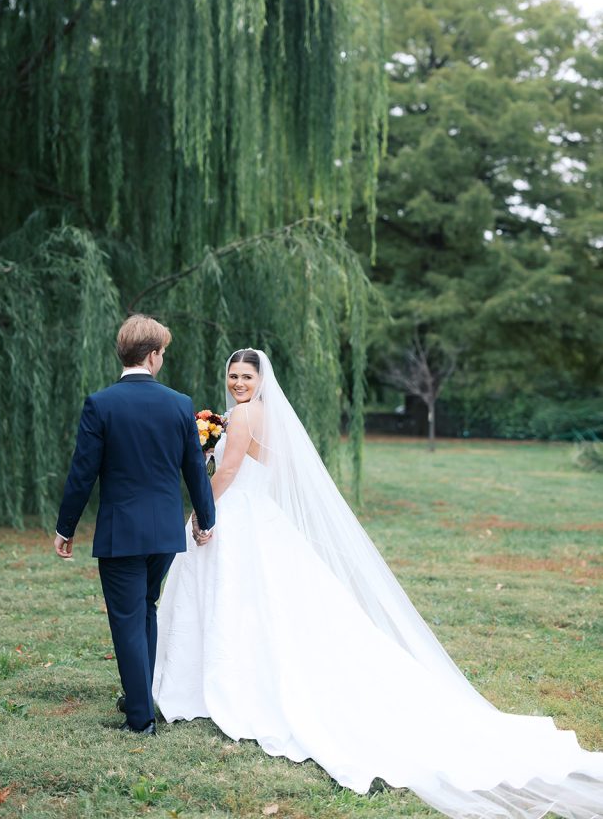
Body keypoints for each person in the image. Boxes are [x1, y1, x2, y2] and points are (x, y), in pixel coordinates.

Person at [154, 348, 603, 819]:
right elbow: (268, 461)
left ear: (261, 380)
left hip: (236, 517)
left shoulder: (243, 413)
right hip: (260, 517)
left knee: (235, 600)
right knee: (261, 604)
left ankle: (225, 679)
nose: (239, 383)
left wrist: (203, 513)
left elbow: (227, 472)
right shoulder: (258, 414)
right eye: (233, 375)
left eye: (246, 376)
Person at [53, 314, 215, 735]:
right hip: (163, 532)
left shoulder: (101, 403)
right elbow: (194, 468)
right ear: (153, 354)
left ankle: (140, 717)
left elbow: (82, 473)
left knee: (128, 616)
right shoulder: (178, 403)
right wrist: (205, 518)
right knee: (145, 608)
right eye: (162, 352)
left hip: (121, 531)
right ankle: (140, 693)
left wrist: (65, 527)